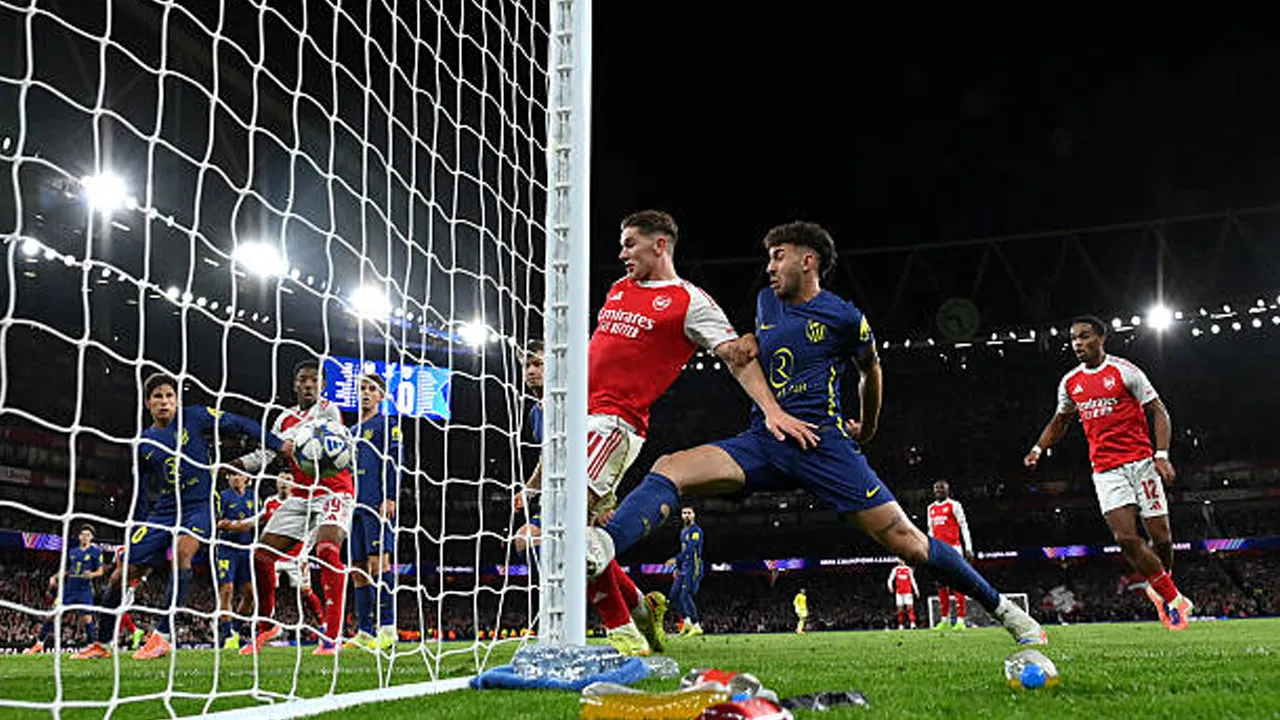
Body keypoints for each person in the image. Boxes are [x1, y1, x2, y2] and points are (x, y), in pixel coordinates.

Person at [589, 221, 1046, 647]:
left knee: (908, 542)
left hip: (822, 445)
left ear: (808, 261)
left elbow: (871, 371)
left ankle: (1006, 611)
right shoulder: (766, 303)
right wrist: (748, 344)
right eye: (768, 257)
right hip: (765, 441)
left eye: (778, 256)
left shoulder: (844, 317)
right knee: (670, 467)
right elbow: (758, 349)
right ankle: (603, 546)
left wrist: (867, 426)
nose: (769, 266)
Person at [516, 211, 807, 656]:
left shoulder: (689, 300)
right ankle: (638, 605)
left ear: (660, 245)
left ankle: (623, 634)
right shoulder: (618, 289)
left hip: (614, 424)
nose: (621, 253)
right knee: (576, 534)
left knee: (562, 529)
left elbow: (734, 356)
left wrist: (770, 408)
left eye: (630, 243)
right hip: (576, 420)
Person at [76, 373, 288, 660]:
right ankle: (102, 643)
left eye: (169, 396)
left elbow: (238, 422)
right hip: (164, 510)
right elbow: (139, 493)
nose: (164, 402)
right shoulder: (144, 443)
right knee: (120, 576)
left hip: (200, 505)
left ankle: (162, 636)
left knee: (182, 551)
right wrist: (135, 531)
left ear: (176, 400)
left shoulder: (195, 417)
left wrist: (276, 443)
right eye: (157, 397)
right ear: (147, 403)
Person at [1024, 315, 1193, 630]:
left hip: (1142, 463)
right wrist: (1037, 448)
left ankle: (1162, 591)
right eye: (1073, 338)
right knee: (1126, 538)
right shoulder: (1070, 383)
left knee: (1162, 538)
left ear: (1101, 338)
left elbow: (1159, 411)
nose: (1077, 343)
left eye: (1084, 336)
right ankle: (1173, 598)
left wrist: (1162, 454)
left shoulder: (1124, 371)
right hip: (1106, 471)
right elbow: (1060, 421)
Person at [235, 360, 354, 656]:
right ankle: (266, 626)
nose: (309, 384)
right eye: (304, 380)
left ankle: (331, 635)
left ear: (323, 385)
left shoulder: (328, 410)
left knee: (327, 551)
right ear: (295, 385)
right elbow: (266, 453)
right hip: (300, 497)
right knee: (261, 556)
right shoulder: (283, 418)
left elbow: (318, 437)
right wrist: (238, 464)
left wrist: (283, 444)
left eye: (315, 380)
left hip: (333, 492)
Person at [346, 374, 401, 651]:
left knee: (380, 564)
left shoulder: (387, 425)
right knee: (357, 569)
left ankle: (389, 628)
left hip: (376, 502)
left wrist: (390, 496)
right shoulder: (352, 430)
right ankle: (365, 632)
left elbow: (395, 460)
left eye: (372, 389)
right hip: (352, 506)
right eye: (362, 389)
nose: (366, 393)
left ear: (381, 396)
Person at [29, 524, 104, 653]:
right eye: (83, 534)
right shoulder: (73, 551)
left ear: (92, 538)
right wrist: (55, 576)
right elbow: (69, 570)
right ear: (80, 537)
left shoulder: (96, 552)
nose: (85, 537)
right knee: (53, 614)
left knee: (87, 618)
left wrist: (92, 574)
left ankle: (92, 646)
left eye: (88, 535)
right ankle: (39, 643)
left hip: (84, 589)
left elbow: (101, 571)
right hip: (69, 589)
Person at [214, 469, 257, 649]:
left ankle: (235, 630)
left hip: (247, 549)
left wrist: (236, 525)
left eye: (239, 474)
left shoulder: (254, 497)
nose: (235, 478)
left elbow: (260, 520)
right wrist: (235, 526)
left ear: (247, 478)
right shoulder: (222, 496)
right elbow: (217, 522)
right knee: (227, 588)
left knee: (250, 594)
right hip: (226, 549)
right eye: (232, 475)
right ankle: (226, 634)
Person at [927, 480, 973, 630]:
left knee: (957, 582)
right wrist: (930, 548)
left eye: (942, 488)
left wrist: (968, 547)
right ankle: (944, 619)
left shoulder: (954, 505)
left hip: (954, 548)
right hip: (938, 549)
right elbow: (931, 531)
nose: (939, 491)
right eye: (937, 489)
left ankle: (960, 620)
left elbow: (963, 525)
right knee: (940, 583)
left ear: (948, 490)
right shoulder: (931, 508)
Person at [668, 507, 704, 636]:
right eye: (684, 513)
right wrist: (677, 567)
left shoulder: (696, 531)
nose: (686, 515)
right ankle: (687, 622)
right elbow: (683, 549)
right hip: (683, 567)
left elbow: (690, 549)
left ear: (694, 515)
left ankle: (696, 625)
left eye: (689, 513)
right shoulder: (683, 531)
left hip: (693, 567)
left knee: (685, 595)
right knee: (674, 594)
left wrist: (676, 559)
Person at [887, 560, 918, 630]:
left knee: (910, 608)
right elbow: (890, 579)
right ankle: (901, 625)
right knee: (900, 609)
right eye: (900, 560)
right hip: (899, 592)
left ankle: (912, 624)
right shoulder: (895, 569)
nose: (901, 561)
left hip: (908, 592)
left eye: (902, 560)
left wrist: (916, 590)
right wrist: (890, 586)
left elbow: (913, 580)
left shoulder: (908, 569)